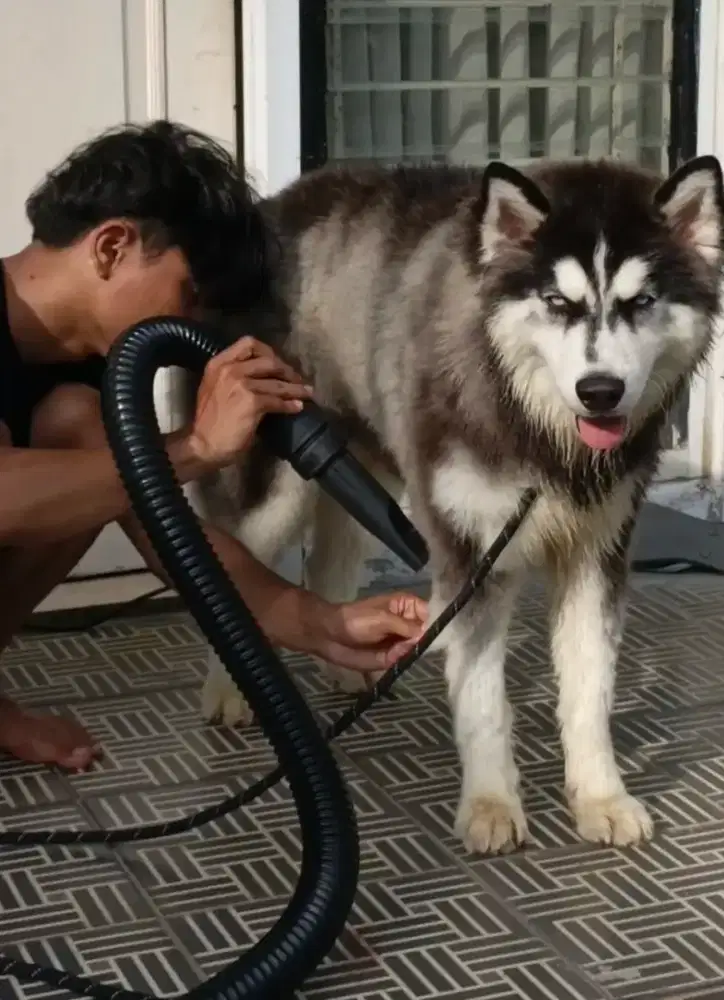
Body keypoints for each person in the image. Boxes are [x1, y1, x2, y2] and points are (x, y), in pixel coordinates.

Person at [0, 120, 427, 772]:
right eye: (189, 293)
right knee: (94, 456)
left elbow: (164, 527)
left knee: (85, 436)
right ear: (112, 247)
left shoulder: (85, 374)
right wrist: (196, 447)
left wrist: (322, 626)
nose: (192, 322)